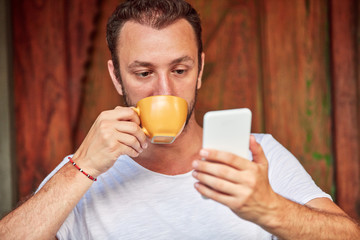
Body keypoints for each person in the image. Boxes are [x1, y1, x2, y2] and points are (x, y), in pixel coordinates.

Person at [1, 0, 359, 239]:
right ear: (116, 77)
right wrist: (82, 166)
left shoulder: (258, 155)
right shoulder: (82, 171)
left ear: (200, 69)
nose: (164, 91)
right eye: (143, 73)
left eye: (180, 69)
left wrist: (271, 209)